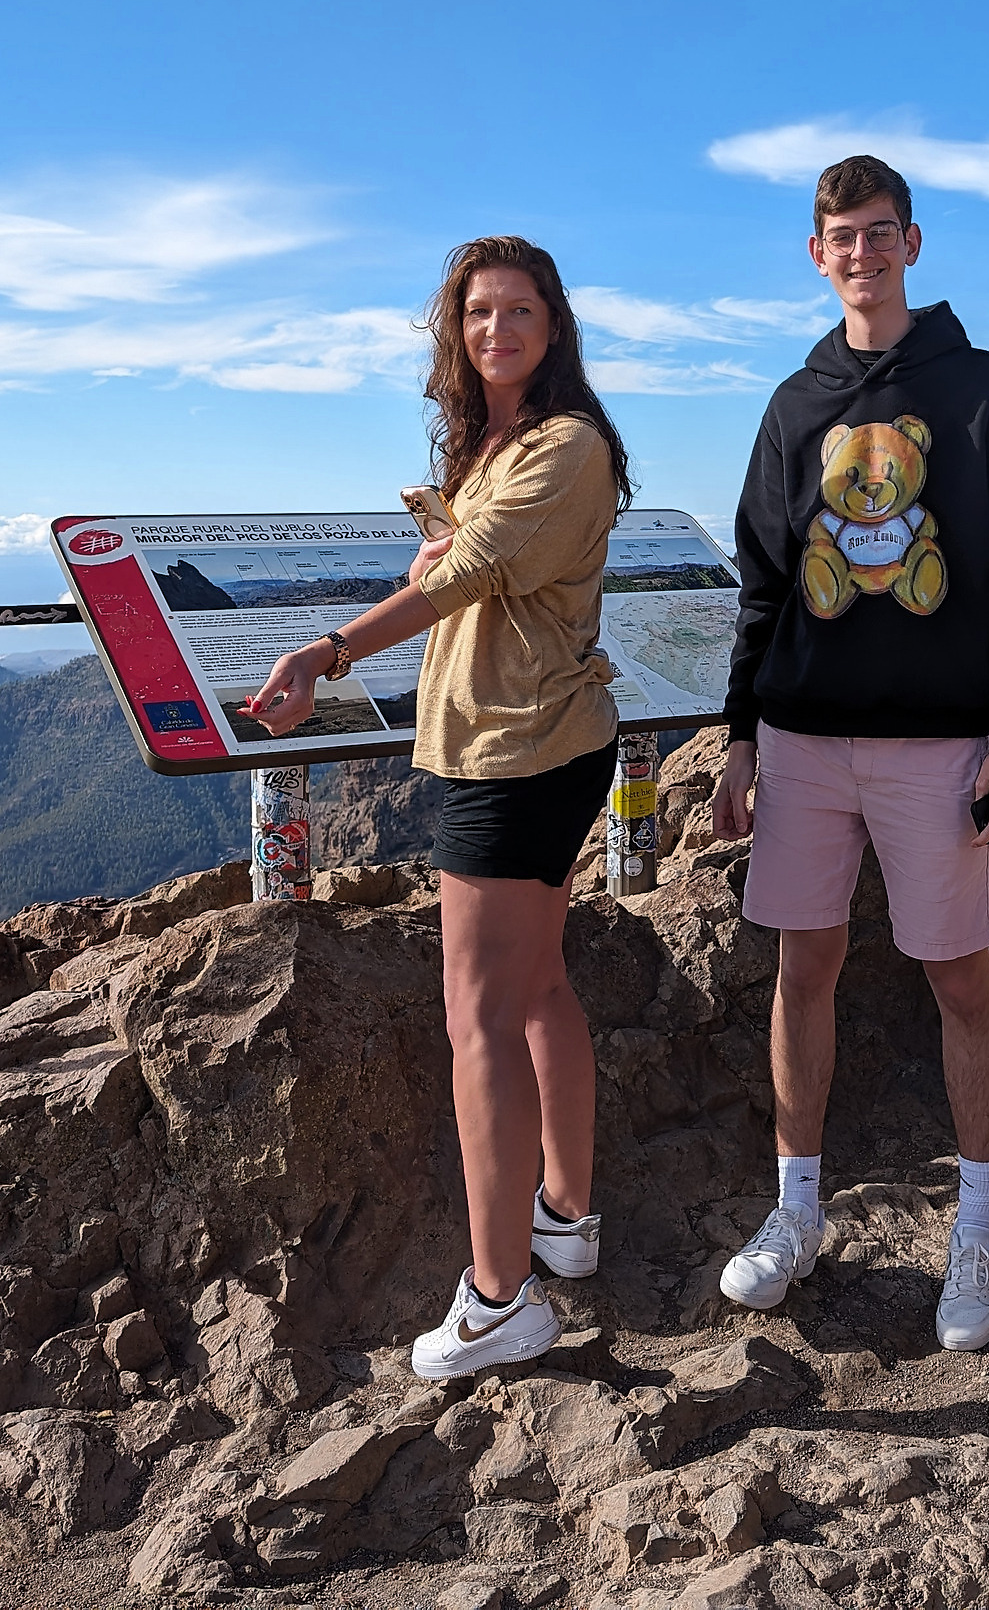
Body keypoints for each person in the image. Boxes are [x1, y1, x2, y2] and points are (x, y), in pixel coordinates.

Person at [247, 235, 631, 1380]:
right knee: (537, 987)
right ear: (456, 330)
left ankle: (499, 1296)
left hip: (518, 753)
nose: (495, 329)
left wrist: (324, 650)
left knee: (477, 1018)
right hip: (520, 741)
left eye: (518, 310)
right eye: (477, 311)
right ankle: (565, 1214)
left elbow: (463, 575)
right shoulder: (496, 445)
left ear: (553, 326)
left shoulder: (565, 445)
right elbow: (459, 565)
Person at [709, 154, 989, 1352]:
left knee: (959, 977)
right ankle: (796, 1210)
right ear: (817, 255)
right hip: (800, 740)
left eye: (880, 230)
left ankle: (977, 1225)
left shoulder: (982, 390)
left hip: (937, 745)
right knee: (803, 968)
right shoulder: (791, 404)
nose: (862, 251)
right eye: (841, 235)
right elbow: (763, 580)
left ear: (912, 241)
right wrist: (739, 736)